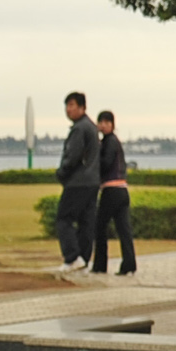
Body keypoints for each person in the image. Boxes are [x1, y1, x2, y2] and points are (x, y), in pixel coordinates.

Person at [53, 91, 102, 272]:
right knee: (86, 221)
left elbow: (73, 156)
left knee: (63, 218)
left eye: (72, 106)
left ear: (82, 107)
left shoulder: (80, 129)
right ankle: (83, 258)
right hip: (92, 181)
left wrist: (62, 172)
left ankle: (72, 257)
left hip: (78, 181)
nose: (68, 110)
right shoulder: (91, 127)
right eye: (67, 106)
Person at [87, 110, 137, 276]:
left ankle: (100, 265)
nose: (103, 125)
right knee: (124, 229)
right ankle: (129, 264)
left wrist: (92, 164)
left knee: (100, 227)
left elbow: (106, 163)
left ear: (112, 125)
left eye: (107, 123)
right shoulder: (115, 142)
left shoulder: (109, 142)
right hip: (123, 190)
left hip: (111, 190)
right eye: (101, 122)